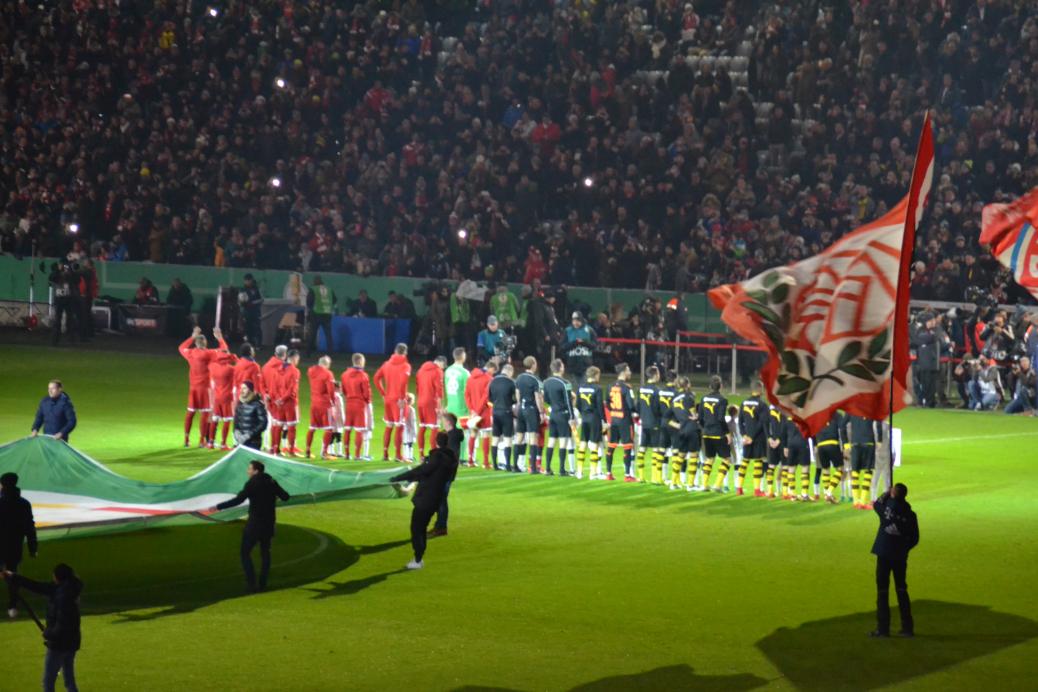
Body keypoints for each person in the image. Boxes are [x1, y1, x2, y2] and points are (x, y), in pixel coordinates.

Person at [211, 460, 290, 592]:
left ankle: (251, 582)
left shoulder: (252, 483)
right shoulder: (272, 481)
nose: (248, 471)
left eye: (249, 469)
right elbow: (286, 497)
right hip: (269, 523)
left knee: (245, 552)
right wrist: (273, 498)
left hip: (254, 524)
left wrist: (218, 507)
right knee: (265, 553)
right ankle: (263, 583)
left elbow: (238, 500)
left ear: (256, 471)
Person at [1, 563, 83, 692]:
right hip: (71, 643)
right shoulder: (65, 590)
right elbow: (36, 586)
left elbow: (62, 626)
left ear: (57, 577)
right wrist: (13, 577)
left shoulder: (62, 597)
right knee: (69, 681)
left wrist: (48, 634)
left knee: (48, 683)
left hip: (59, 644)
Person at [390, 432, 459, 570]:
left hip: (426, 498)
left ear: (436, 442)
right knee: (420, 528)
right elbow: (433, 474)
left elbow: (422, 471)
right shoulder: (452, 459)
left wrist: (398, 477)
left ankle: (418, 559)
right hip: (436, 498)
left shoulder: (436, 458)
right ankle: (418, 558)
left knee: (417, 528)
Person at [870, 483, 919, 638]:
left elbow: (876, 504)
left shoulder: (887, 510)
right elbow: (915, 539)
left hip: (884, 554)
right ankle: (907, 627)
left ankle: (883, 628)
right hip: (900, 556)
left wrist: (886, 493)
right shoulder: (911, 515)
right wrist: (904, 548)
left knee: (883, 591)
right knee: (902, 590)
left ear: (893, 494)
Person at [178, 326, 228, 447]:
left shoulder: (190, 353)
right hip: (205, 389)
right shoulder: (209, 354)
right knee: (205, 414)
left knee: (190, 413)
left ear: (195, 343)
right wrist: (220, 338)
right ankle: (201, 440)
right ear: (205, 343)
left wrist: (192, 336)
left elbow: (181, 347)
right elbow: (224, 350)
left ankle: (186, 439)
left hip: (193, 388)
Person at [1, 472, 38, 619]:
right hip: (15, 544)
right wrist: (33, 547)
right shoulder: (24, 503)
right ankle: (13, 605)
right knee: (13, 574)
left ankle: (12, 605)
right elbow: (29, 526)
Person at [374, 343, 413, 462]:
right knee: (399, 427)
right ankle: (398, 455)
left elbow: (376, 378)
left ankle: (385, 454)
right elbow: (403, 382)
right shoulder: (406, 366)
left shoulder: (386, 364)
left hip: (388, 400)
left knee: (389, 426)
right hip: (398, 401)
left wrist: (383, 394)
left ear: (395, 351)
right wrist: (402, 398)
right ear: (405, 352)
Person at [429, 412, 464, 537]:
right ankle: (440, 525)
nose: (441, 422)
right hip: (446, 473)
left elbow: (451, 456)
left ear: (449, 422)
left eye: (443, 420)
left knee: (441, 500)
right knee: (440, 500)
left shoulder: (452, 437)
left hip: (445, 474)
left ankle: (441, 527)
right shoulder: (452, 434)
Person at [695, 376, 732, 492]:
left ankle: (704, 485)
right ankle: (717, 485)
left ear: (710, 386)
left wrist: (705, 427)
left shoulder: (703, 398)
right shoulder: (722, 400)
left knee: (709, 459)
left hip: (706, 433)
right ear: (721, 386)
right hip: (718, 434)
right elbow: (721, 419)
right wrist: (727, 433)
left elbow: (700, 417)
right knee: (726, 459)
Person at [541, 359, 575, 476]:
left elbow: (546, 399)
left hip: (553, 414)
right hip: (563, 414)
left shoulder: (546, 382)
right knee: (563, 441)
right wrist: (572, 416)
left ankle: (548, 468)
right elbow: (568, 401)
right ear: (560, 368)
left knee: (551, 441)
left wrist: (554, 405)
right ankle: (561, 469)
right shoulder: (565, 383)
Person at [605, 363, 636, 482]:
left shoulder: (609, 386)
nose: (630, 372)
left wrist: (614, 410)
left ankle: (608, 473)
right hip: (625, 421)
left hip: (614, 420)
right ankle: (628, 475)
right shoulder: (627, 388)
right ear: (623, 371)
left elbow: (607, 403)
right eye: (628, 370)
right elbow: (631, 405)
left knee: (611, 446)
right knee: (627, 447)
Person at [514, 356, 544, 474]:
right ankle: (533, 468)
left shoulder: (519, 377)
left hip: (521, 409)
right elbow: (538, 397)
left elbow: (517, 393)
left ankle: (514, 465)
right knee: (533, 438)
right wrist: (541, 412)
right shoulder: (535, 379)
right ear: (533, 365)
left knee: (519, 437)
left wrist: (519, 404)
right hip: (531, 410)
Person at [575, 366, 606, 480]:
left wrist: (583, 413)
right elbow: (600, 406)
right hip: (594, 418)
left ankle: (579, 471)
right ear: (596, 375)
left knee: (583, 443)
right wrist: (604, 421)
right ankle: (593, 473)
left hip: (585, 418)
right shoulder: (597, 388)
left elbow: (578, 404)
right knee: (594, 445)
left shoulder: (581, 387)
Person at [739, 381, 769, 497]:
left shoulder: (744, 403)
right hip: (757, 438)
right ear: (760, 390)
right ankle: (757, 490)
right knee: (758, 462)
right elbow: (762, 423)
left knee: (744, 462)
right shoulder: (762, 405)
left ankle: (739, 488)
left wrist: (744, 435)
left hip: (746, 438)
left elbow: (740, 421)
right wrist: (752, 437)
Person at [463, 359, 494, 468]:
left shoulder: (470, 378)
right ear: (491, 368)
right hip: (484, 411)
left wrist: (472, 409)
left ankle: (470, 461)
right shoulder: (488, 378)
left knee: (473, 434)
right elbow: (485, 397)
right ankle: (485, 462)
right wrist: (478, 411)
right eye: (493, 371)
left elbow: (466, 395)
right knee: (485, 435)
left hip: (473, 412)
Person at [846, 415, 881, 509]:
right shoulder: (870, 407)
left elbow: (842, 425)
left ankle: (855, 501)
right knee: (868, 471)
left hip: (855, 444)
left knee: (855, 472)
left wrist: (845, 443)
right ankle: (862, 502)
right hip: (869, 443)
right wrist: (880, 440)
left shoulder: (852, 409)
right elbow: (878, 421)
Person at [416, 356, 447, 460]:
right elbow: (439, 388)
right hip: (431, 403)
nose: (442, 369)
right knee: (435, 428)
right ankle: (434, 455)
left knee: (422, 427)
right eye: (443, 367)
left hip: (420, 401)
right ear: (441, 363)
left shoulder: (421, 370)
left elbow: (417, 386)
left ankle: (421, 455)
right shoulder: (438, 371)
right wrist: (440, 405)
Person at [341, 354, 372, 460]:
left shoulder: (344, 374)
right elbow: (366, 393)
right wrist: (368, 401)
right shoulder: (363, 375)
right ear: (360, 362)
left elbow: (343, 390)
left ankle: (346, 454)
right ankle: (357, 455)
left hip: (349, 404)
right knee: (359, 430)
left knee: (348, 429)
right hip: (360, 405)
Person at [272, 349, 302, 456]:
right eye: (297, 359)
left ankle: (276, 450)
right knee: (291, 427)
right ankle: (291, 450)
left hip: (279, 404)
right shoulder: (295, 371)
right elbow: (292, 389)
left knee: (279, 426)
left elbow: (274, 386)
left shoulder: (278, 369)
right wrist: (283, 399)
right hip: (290, 402)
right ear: (294, 358)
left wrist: (277, 399)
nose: (298, 361)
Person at [488, 362, 518, 471]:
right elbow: (516, 398)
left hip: (495, 412)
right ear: (510, 371)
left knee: (495, 438)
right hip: (506, 412)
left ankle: (495, 465)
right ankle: (508, 465)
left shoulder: (493, 380)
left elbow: (489, 397)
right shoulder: (511, 382)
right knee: (507, 439)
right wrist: (511, 402)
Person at [306, 356, 336, 459]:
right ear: (327, 364)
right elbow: (330, 390)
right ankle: (324, 453)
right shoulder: (328, 374)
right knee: (329, 429)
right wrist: (333, 401)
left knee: (312, 428)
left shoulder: (310, 371)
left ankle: (308, 451)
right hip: (325, 404)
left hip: (314, 403)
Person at [207, 349, 238, 450]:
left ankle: (211, 442)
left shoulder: (212, 367)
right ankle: (223, 444)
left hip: (216, 397)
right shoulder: (231, 369)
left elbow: (212, 362)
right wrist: (234, 358)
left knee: (215, 419)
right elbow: (240, 367)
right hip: (227, 397)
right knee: (227, 420)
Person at [635, 366, 662, 483]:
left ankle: (640, 476)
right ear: (655, 375)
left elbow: (638, 406)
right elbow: (657, 408)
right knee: (656, 450)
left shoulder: (641, 389)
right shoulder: (657, 391)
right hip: (655, 422)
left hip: (644, 423)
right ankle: (655, 478)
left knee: (642, 448)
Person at [442, 348, 470, 458]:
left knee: (450, 432)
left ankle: (449, 454)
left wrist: (446, 404)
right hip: (462, 406)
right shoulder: (465, 373)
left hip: (450, 405)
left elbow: (444, 388)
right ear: (463, 357)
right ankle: (462, 457)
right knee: (463, 432)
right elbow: (469, 392)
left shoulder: (447, 370)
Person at [814, 411, 846, 504]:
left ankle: (827, 494)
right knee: (840, 469)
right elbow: (842, 429)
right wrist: (845, 445)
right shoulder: (837, 414)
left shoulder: (818, 414)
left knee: (825, 469)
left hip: (821, 445)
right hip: (832, 443)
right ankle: (829, 492)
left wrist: (816, 444)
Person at [31, 380, 77, 444]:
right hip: (47, 438)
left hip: (60, 440)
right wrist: (35, 429)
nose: (50, 391)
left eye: (53, 388)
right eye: (49, 388)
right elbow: (39, 417)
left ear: (60, 389)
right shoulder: (44, 401)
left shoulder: (66, 403)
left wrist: (62, 433)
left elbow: (72, 421)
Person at [48, 262, 79, 346]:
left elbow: (77, 280)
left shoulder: (70, 274)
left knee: (70, 320)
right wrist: (59, 271)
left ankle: (71, 339)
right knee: (57, 320)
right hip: (59, 299)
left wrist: (70, 271)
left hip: (68, 299)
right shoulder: (56, 274)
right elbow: (51, 278)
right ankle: (55, 340)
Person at [306, 275, 336, 356]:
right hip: (327, 314)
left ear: (315, 282)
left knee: (312, 333)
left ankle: (308, 352)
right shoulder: (329, 289)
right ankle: (331, 353)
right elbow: (334, 300)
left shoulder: (313, 289)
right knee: (328, 334)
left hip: (316, 314)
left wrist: (311, 310)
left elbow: (309, 302)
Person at [233, 382, 268, 449]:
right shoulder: (239, 404)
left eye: (244, 388)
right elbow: (236, 421)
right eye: (241, 388)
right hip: (241, 441)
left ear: (250, 390)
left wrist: (249, 435)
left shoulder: (258, 404)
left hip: (253, 442)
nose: (242, 390)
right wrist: (236, 433)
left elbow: (263, 423)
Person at [562, 311, 596, 379]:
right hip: (572, 363)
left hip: (586, 363)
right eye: (574, 320)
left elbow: (594, 345)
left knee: (584, 386)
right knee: (575, 387)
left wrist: (584, 342)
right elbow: (563, 347)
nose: (575, 323)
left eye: (577, 320)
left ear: (581, 320)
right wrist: (574, 343)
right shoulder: (567, 330)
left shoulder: (589, 330)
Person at [240, 274, 263, 346]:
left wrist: (252, 303)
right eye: (246, 280)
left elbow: (261, 299)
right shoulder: (242, 290)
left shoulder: (256, 289)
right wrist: (243, 303)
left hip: (255, 312)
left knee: (257, 328)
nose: (247, 282)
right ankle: (249, 344)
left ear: (251, 280)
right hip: (246, 312)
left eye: (248, 280)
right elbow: (241, 301)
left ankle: (258, 344)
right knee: (247, 329)